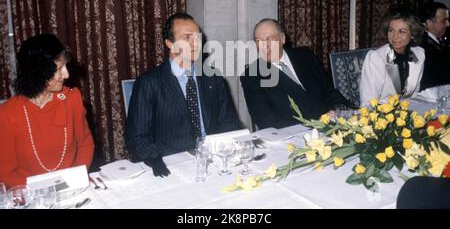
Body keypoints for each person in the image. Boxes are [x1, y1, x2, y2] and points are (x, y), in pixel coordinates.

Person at [126, 13, 242, 177]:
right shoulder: (149, 83)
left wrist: (227, 151)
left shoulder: (213, 78)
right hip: (172, 165)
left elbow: (229, 122)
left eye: (197, 37)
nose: (195, 43)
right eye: (187, 38)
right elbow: (137, 139)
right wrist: (156, 160)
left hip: (215, 161)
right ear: (169, 43)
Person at [0, 34, 94, 188]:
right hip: (33, 198)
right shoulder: (7, 114)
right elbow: (5, 173)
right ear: (38, 73)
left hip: (73, 189)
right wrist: (45, 192)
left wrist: (74, 181)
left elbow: (85, 144)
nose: (67, 74)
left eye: (65, 66)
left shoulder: (72, 98)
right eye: (59, 68)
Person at [240, 18, 352, 129]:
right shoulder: (251, 76)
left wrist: (338, 111)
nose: (264, 46)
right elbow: (266, 121)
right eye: (259, 41)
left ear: (283, 38)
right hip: (297, 137)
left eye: (269, 39)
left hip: (334, 124)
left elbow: (329, 91)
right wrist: (318, 123)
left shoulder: (305, 55)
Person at [360, 9, 425, 106]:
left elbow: (415, 94)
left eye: (401, 32)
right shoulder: (376, 58)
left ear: (413, 34)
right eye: (391, 31)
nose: (395, 37)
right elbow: (368, 103)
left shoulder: (419, 54)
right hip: (381, 115)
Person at [419, 2, 450, 90]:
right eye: (444, 20)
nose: (448, 24)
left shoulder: (441, 40)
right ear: (429, 23)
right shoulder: (422, 47)